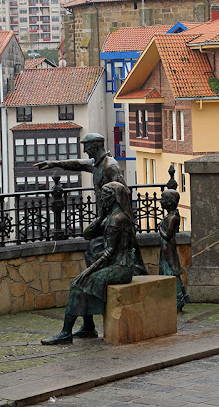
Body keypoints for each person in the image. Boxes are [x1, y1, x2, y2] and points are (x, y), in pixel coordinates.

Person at [35, 132, 147, 338]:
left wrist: (121, 222)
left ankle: (84, 314)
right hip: (105, 219)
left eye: (86, 146)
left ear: (95, 146)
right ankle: (88, 324)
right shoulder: (97, 163)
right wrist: (54, 163)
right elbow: (78, 163)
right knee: (90, 254)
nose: (84, 150)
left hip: (112, 220)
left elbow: (124, 191)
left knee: (91, 267)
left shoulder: (110, 166)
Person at [41, 182, 134, 345]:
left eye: (104, 196)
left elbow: (109, 252)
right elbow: (88, 234)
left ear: (113, 198)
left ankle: (65, 333)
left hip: (121, 268)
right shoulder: (110, 217)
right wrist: (101, 216)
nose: (101, 199)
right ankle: (88, 327)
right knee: (85, 282)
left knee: (79, 285)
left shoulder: (117, 219)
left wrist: (88, 271)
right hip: (113, 264)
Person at [158, 189, 189, 312]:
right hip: (166, 248)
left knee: (171, 273)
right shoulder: (170, 216)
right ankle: (178, 299)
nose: (160, 202)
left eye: (163, 199)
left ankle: (178, 301)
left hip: (168, 248)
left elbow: (167, 236)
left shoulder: (172, 218)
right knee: (169, 272)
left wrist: (159, 229)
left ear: (169, 202)